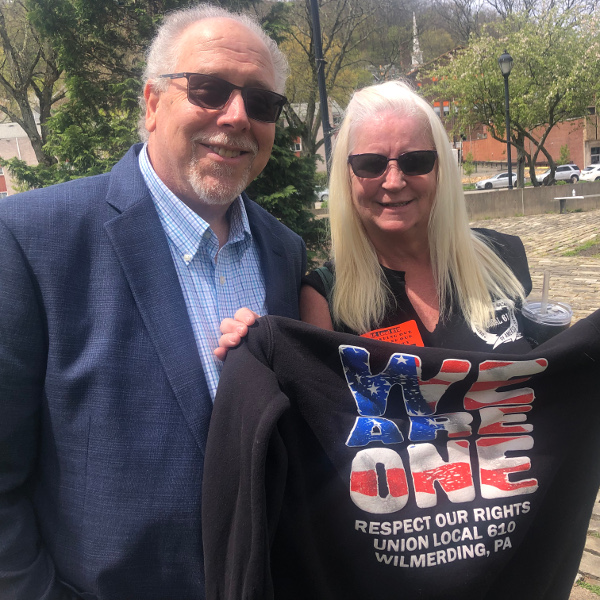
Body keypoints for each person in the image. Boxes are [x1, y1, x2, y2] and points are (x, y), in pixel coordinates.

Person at [0, 4, 305, 599]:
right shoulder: (32, 239)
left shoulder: (284, 252)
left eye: (262, 102)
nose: (238, 116)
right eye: (210, 89)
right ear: (151, 103)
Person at [217, 80, 532, 356]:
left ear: (441, 170)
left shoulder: (504, 257)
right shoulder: (324, 299)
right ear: (346, 176)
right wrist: (255, 348)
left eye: (416, 161)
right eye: (370, 164)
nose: (394, 182)